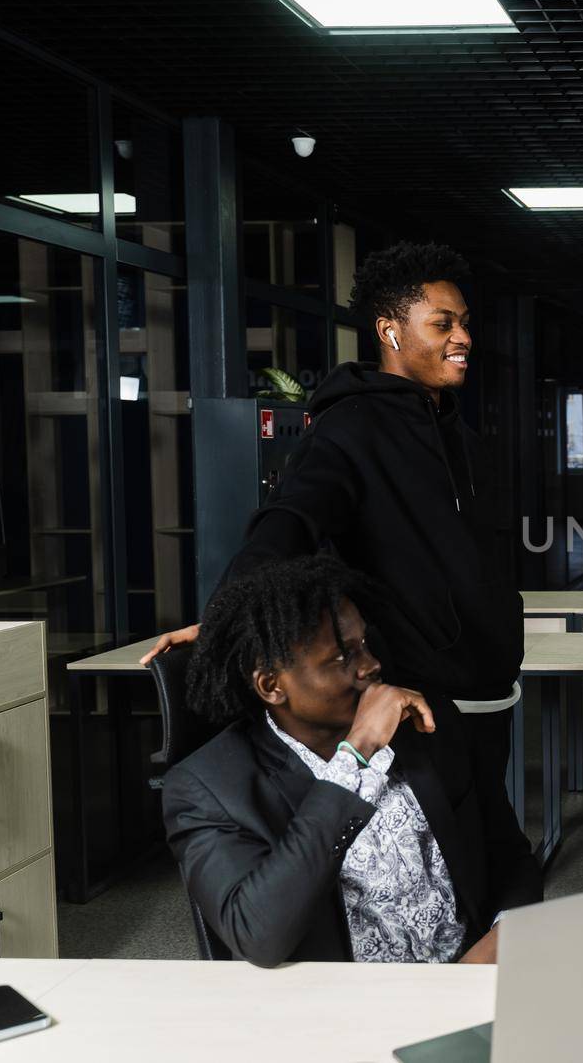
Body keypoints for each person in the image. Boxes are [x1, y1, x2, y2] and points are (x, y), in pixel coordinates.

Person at [143, 241, 523, 779]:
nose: (463, 338)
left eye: (463, 323)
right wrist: (225, 618)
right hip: (418, 702)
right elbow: (292, 520)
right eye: (443, 325)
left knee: (491, 852)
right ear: (390, 331)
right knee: (448, 858)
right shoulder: (351, 429)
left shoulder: (459, 435)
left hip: (489, 697)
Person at [161, 555, 541, 967]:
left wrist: (503, 937)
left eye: (365, 645)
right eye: (343, 658)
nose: (371, 665)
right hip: (347, 1011)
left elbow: (508, 853)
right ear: (271, 686)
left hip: (473, 982)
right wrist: (356, 755)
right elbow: (260, 936)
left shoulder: (428, 724)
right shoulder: (208, 789)